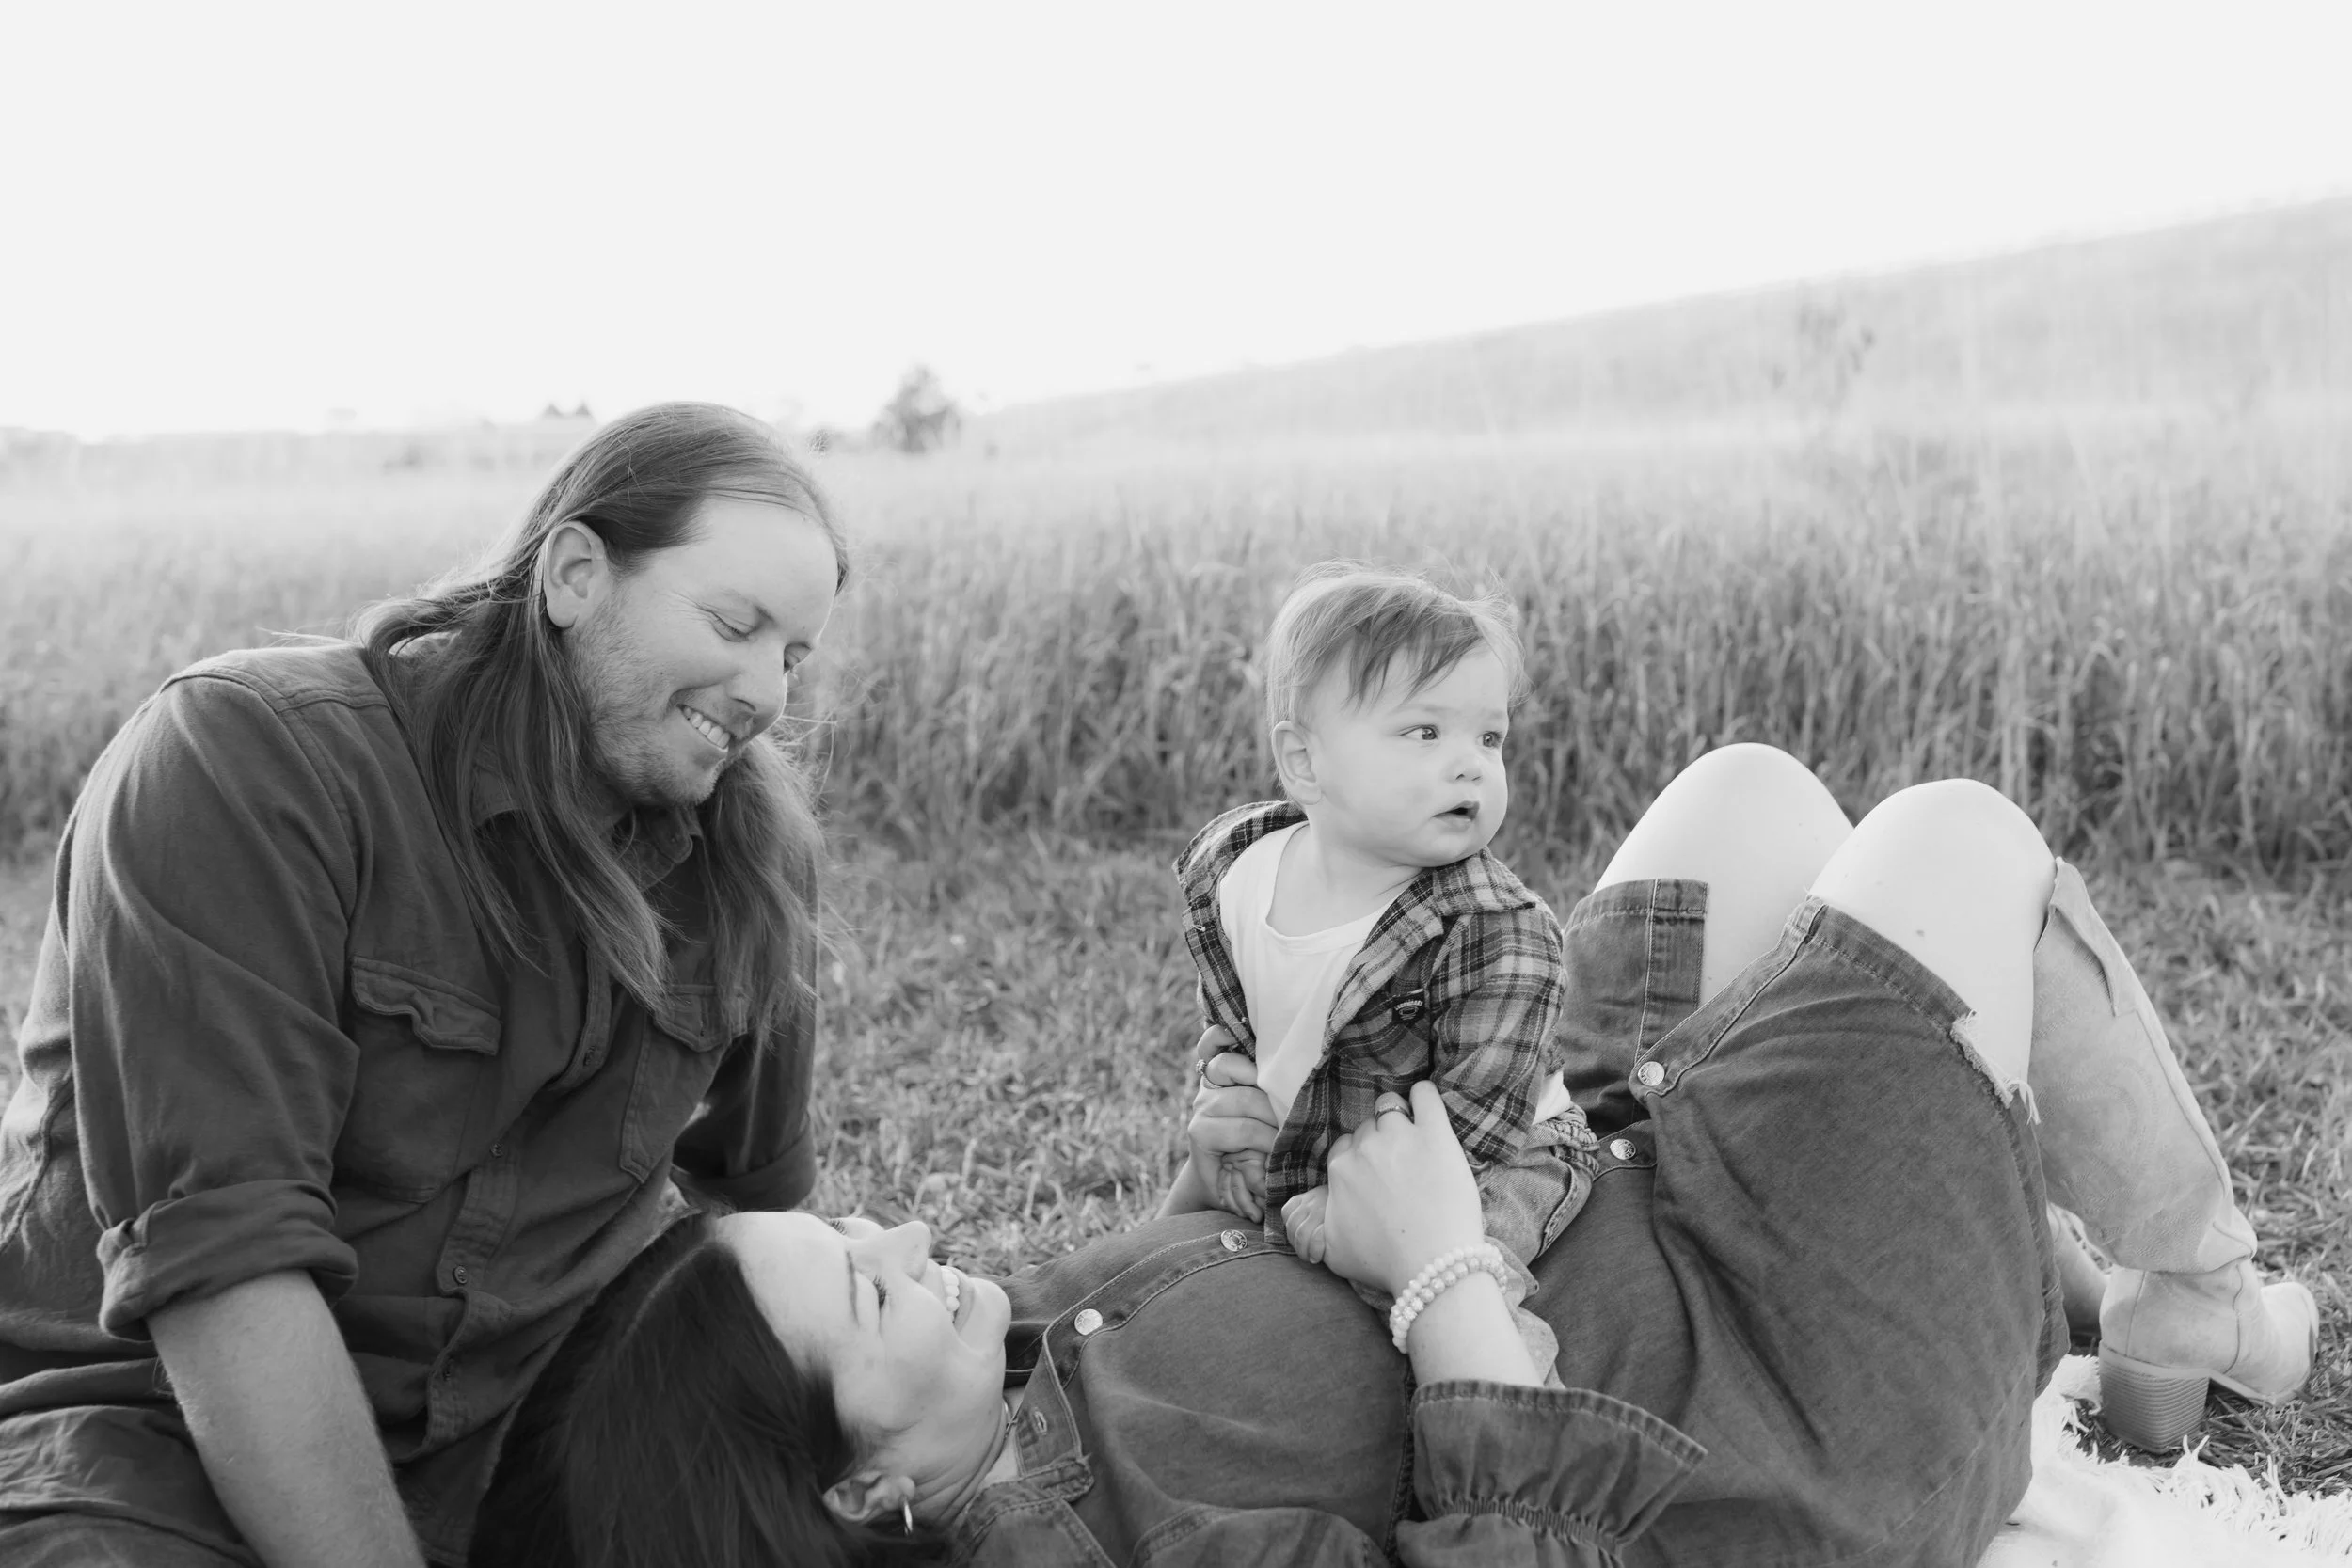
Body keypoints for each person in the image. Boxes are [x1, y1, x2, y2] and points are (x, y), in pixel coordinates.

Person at [473, 745, 2319, 1567]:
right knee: (1947, 844)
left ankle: (2010, 1242)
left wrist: (1243, 1132)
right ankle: (2187, 1302)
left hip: (1581, 1189)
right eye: (860, 1283)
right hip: (1768, 1429)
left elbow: (1241, 1271)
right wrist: (1437, 1273)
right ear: (854, 1492)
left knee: (1743, 802)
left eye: (844, 1221)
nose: (905, 1221)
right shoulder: (1101, 1535)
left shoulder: (1014, 1341)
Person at [0, 404, 849, 1567]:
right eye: (733, 622)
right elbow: (221, 1262)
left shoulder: (748, 861)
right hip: (145, 1447)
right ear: (575, 573)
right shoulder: (251, 760)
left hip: (522, 1460)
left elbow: (757, 1223)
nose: (765, 695)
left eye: (792, 654)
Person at [1162, 563, 1597, 1380]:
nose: (1470, 764)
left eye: (1489, 738)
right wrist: (1246, 1100)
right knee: (1234, 1260)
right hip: (1329, 1131)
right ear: (1304, 762)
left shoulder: (1495, 930)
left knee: (1460, 1262)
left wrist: (1358, 1216)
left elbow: (1477, 1124)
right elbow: (1242, 1019)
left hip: (1497, 1149)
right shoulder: (1236, 869)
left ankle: (1514, 1390)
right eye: (1425, 732)